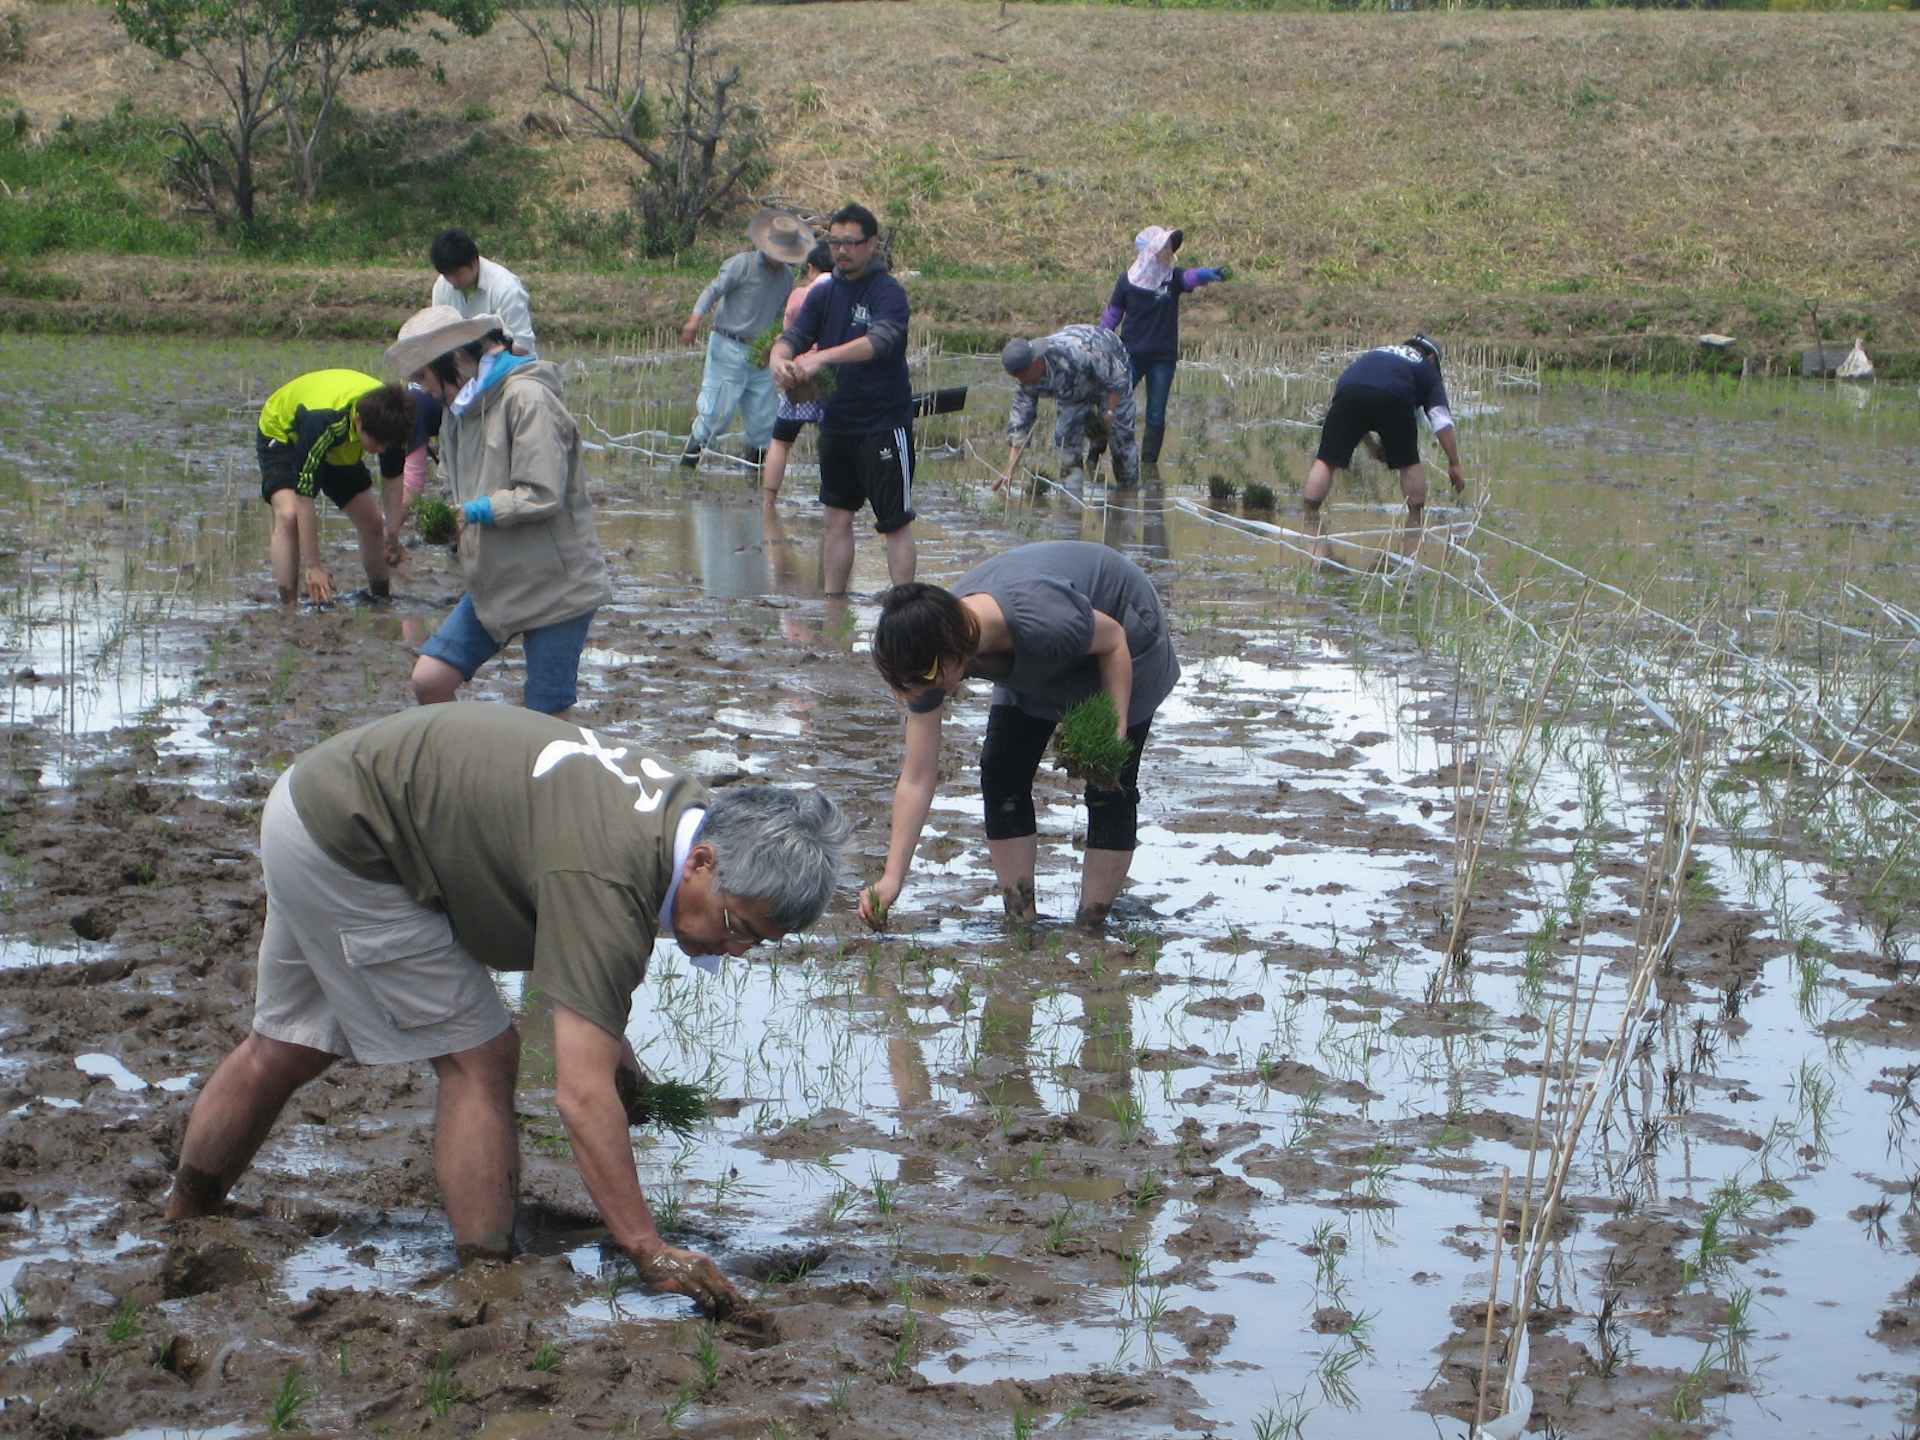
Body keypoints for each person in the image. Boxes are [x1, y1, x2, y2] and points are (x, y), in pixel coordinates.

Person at [164, 704, 850, 1315]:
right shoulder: (611, 873)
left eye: (761, 941)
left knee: (288, 1044)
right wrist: (647, 1247)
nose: (738, 947)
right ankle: (487, 1279)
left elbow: (581, 956)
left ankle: (185, 1215)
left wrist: (620, 1056)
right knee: (481, 1058)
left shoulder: (689, 814)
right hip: (358, 842)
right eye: (740, 925)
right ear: (703, 862)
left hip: (317, 799)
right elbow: (580, 1097)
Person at [859, 540, 1181, 932]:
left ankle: (1092, 924)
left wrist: (1114, 730)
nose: (917, 693)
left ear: (954, 654)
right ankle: (1021, 920)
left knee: (1108, 782)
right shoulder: (926, 655)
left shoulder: (1039, 619)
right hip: (1039, 652)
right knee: (1001, 770)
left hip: (1122, 631)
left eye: (922, 682)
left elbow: (1112, 639)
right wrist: (892, 879)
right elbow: (917, 775)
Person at [386, 305, 611, 714]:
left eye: (423, 378)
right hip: (496, 579)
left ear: (454, 360)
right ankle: (470, 771)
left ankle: (563, 776)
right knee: (430, 680)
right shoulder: (459, 413)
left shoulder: (527, 399)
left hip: (554, 585)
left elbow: (541, 493)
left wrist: (474, 512)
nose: (425, 392)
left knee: (546, 716)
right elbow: (466, 487)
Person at [769, 203, 916, 597]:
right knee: (835, 518)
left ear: (871, 244)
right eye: (835, 242)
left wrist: (823, 357)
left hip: (883, 422)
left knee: (895, 523)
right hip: (836, 422)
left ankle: (904, 606)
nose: (842, 250)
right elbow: (796, 335)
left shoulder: (889, 293)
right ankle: (834, 604)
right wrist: (779, 357)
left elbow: (882, 341)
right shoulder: (825, 292)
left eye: (851, 243)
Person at [255, 370, 416, 606]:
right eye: (377, 443)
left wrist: (392, 536)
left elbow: (392, 480)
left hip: (339, 446)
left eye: (386, 445)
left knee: (372, 522)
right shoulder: (322, 421)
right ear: (359, 421)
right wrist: (314, 566)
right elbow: (305, 497)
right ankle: (288, 607)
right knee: (289, 515)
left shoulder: (391, 422)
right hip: (285, 434)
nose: (382, 450)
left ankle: (381, 600)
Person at [1302, 335, 1465, 556]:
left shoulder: (1379, 352)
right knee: (1409, 463)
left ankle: (1310, 525)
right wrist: (1454, 463)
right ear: (1432, 357)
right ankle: (1414, 523)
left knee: (1326, 460)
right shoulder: (1426, 368)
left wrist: (1370, 446)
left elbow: (1360, 402)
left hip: (1348, 390)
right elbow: (1441, 419)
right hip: (1395, 397)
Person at [679, 210, 813, 472]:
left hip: (759, 353)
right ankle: (686, 467)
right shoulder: (741, 264)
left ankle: (754, 478)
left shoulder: (786, 278)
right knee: (717, 413)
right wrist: (694, 320)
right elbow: (713, 291)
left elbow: (779, 315)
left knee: (764, 419)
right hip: (727, 345)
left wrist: (775, 345)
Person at [1098, 225, 1229, 466]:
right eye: (1165, 247)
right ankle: (1096, 450)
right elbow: (1112, 315)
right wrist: (1098, 340)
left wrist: (1210, 274)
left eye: (1171, 247)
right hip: (1131, 356)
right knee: (1113, 405)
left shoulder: (1172, 278)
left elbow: (1191, 276)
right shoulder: (1127, 282)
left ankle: (1148, 464)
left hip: (1163, 359)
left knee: (1156, 412)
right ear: (1152, 251)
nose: (1169, 252)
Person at [999, 326, 1139, 494]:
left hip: (1108, 366)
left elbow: (1118, 380)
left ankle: (1128, 493)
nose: (1024, 381)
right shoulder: (1025, 381)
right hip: (1072, 391)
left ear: (1035, 361)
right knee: (1064, 436)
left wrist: (1109, 413)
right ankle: (1071, 496)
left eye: (1025, 375)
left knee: (1121, 437)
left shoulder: (1078, 354)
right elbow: (1020, 424)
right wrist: (1009, 470)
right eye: (1018, 378)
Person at [759, 239, 834, 515]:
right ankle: (831, 502)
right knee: (829, 441)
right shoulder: (843, 293)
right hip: (829, 378)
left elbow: (788, 332)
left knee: (781, 439)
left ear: (811, 268)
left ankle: (768, 501)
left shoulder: (799, 295)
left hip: (796, 377)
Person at [430, 229, 538, 358]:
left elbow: (523, 346)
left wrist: (484, 354)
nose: (452, 281)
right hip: (467, 368)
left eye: (458, 274)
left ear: (474, 263)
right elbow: (439, 337)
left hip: (514, 368)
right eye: (446, 275)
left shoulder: (507, 288)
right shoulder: (442, 286)